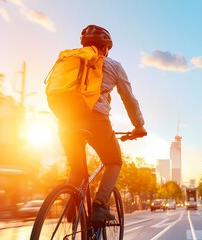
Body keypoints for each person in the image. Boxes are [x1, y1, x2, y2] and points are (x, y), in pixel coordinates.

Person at [58, 24, 146, 226]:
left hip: (65, 121)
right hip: (96, 120)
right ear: (106, 48)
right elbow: (129, 100)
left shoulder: (70, 60)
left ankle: (70, 205)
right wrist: (138, 126)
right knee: (113, 162)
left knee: (77, 171)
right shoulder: (113, 65)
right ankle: (99, 205)